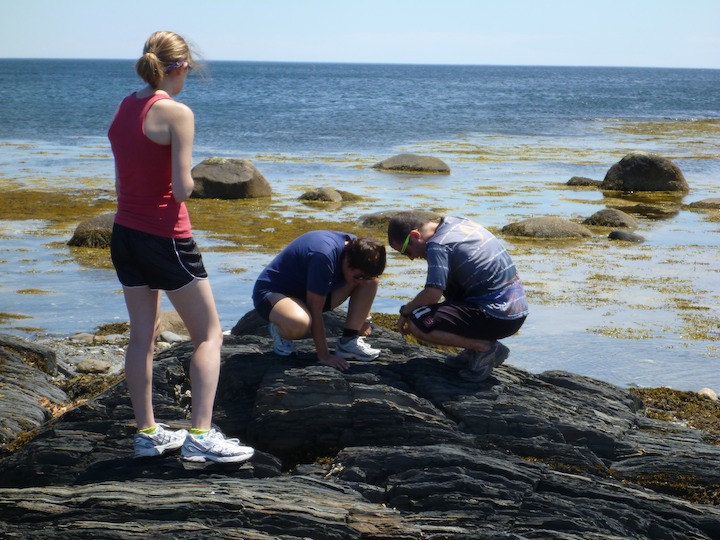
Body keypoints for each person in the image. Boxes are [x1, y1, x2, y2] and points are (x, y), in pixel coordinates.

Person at [108, 31, 254, 463]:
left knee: (141, 339)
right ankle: (201, 436)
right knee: (209, 335)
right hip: (166, 237)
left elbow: (122, 179)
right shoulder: (177, 113)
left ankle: (148, 433)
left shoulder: (125, 106)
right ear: (182, 66)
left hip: (124, 234)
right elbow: (181, 188)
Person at [387, 212, 528, 382]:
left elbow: (432, 294)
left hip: (497, 316)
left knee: (417, 321)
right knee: (449, 283)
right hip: (515, 312)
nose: (410, 258)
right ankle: (473, 351)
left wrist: (405, 311)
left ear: (415, 235)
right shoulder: (457, 223)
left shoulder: (437, 245)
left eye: (405, 251)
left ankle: (485, 349)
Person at [252, 231, 386, 371]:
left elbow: (367, 278)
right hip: (274, 293)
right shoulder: (323, 256)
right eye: (359, 276)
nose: (362, 281)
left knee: (372, 281)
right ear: (347, 260)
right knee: (298, 324)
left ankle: (348, 342)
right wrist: (324, 356)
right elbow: (315, 308)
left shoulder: (358, 247)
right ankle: (279, 328)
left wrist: (365, 319)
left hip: (308, 292)